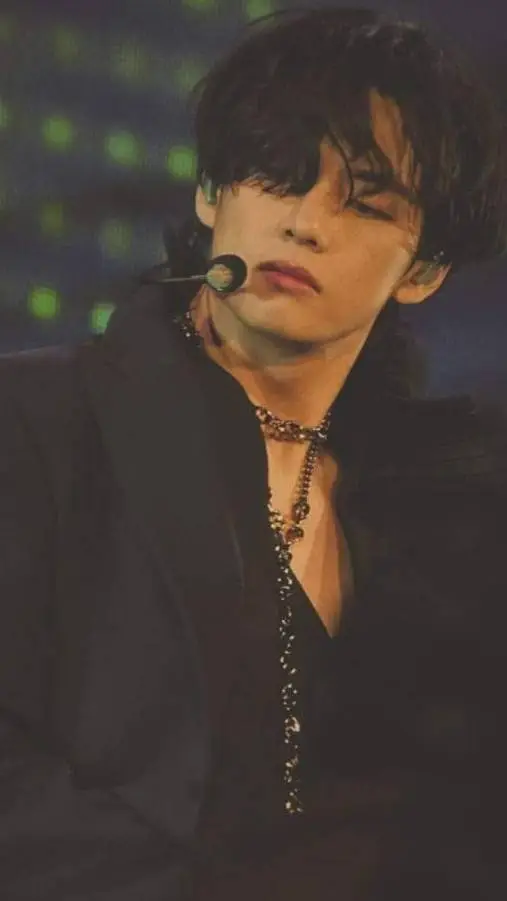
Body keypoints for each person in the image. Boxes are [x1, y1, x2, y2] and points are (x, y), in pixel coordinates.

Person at [0, 6, 506, 900]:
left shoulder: (437, 507)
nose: (304, 223)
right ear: (210, 194)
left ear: (423, 269)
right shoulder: (36, 419)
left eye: (364, 200)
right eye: (278, 175)